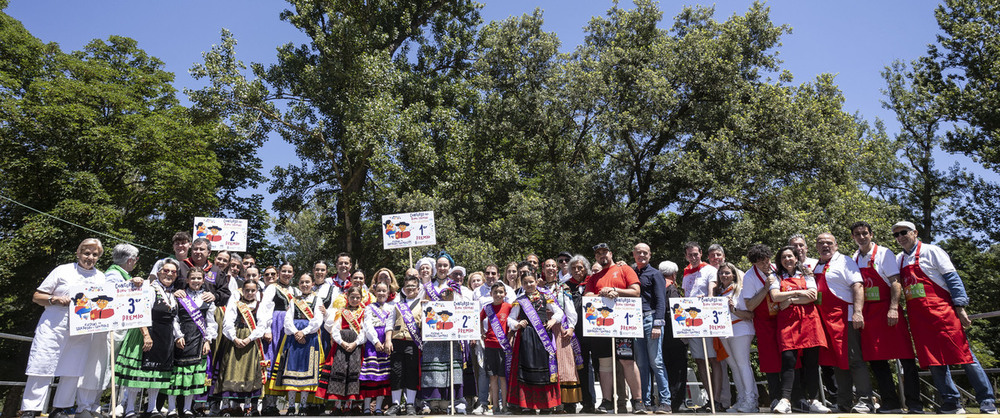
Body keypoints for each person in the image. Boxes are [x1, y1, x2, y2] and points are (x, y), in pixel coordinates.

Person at [892, 221, 997, 414]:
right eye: (896, 235)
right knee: (933, 360)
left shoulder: (932, 251)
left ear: (915, 232)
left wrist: (960, 306)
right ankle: (951, 402)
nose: (900, 237)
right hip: (919, 318)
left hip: (942, 312)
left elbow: (952, 278)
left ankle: (987, 400)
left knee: (965, 356)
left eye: (904, 232)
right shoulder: (898, 259)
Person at [20, 239, 105, 418]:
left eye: (94, 255)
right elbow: (37, 296)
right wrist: (54, 299)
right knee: (43, 364)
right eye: (86, 253)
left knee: (73, 368)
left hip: (82, 328)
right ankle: (31, 408)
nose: (90, 257)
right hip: (54, 324)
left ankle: (61, 408)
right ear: (78, 253)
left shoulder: (101, 277)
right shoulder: (62, 270)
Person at [850, 221, 923, 413]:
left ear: (871, 234)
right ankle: (890, 402)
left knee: (906, 358)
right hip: (868, 314)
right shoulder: (854, 258)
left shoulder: (884, 253)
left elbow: (895, 282)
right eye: (857, 234)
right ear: (853, 238)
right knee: (876, 360)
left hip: (887, 310)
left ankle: (914, 403)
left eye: (865, 233)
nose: (861, 237)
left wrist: (893, 308)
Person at [813, 233, 873, 413]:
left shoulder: (845, 261)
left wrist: (857, 312)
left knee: (854, 359)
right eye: (821, 243)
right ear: (816, 247)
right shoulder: (816, 265)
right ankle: (844, 402)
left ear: (836, 245)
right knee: (838, 361)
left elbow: (857, 286)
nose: (825, 246)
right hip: (826, 321)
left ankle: (865, 401)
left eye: (829, 243)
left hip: (844, 318)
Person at [584, 243, 645, 414]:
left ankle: (638, 400)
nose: (602, 255)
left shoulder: (624, 269)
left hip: (623, 325)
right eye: (598, 254)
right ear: (595, 257)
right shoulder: (594, 277)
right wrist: (601, 294)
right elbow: (587, 296)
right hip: (601, 325)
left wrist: (615, 290)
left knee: (627, 361)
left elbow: (636, 291)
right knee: (604, 363)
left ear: (611, 253)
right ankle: (607, 401)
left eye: (604, 252)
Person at [117, 259, 180, 418]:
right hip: (145, 333)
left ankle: (152, 408)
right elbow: (141, 311)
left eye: (173, 272)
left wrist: (178, 336)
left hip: (164, 336)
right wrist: (145, 334)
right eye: (166, 270)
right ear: (158, 272)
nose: (169, 274)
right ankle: (130, 408)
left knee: (157, 373)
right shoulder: (149, 288)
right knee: (138, 374)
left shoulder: (172, 293)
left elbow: (174, 319)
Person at [769, 246, 829, 414]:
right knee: (788, 360)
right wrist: (798, 293)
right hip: (787, 323)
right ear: (780, 261)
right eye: (783, 257)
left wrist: (790, 300)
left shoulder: (807, 274)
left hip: (809, 321)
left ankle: (814, 400)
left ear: (796, 258)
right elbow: (775, 296)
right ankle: (785, 400)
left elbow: (812, 295)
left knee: (811, 362)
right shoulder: (775, 276)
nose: (787, 259)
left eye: (790, 256)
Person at [506, 272, 565, 413]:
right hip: (527, 338)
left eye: (531, 281)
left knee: (545, 370)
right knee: (527, 370)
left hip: (543, 336)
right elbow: (510, 319)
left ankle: (546, 404)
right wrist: (518, 324)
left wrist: (553, 320)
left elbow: (559, 312)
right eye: (525, 283)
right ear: (522, 284)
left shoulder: (546, 297)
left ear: (536, 281)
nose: (529, 285)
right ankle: (528, 405)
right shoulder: (519, 300)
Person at [268, 274, 325, 415]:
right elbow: (288, 320)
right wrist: (295, 332)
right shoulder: (294, 300)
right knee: (292, 369)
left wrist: (304, 332)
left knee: (307, 371)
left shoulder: (317, 300)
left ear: (312, 284)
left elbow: (317, 321)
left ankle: (303, 406)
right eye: (302, 282)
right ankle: (291, 406)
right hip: (294, 338)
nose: (305, 284)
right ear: (298, 284)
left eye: (307, 282)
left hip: (310, 337)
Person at [166, 269, 218, 417]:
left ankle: (188, 408)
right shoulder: (180, 296)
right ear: (188, 280)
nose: (196, 281)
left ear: (203, 280)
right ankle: (171, 409)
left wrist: (208, 340)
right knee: (176, 376)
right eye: (193, 278)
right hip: (181, 338)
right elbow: (174, 318)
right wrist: (178, 336)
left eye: (199, 278)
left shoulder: (208, 298)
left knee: (192, 376)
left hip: (198, 340)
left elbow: (211, 322)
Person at [419, 255, 467, 414]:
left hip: (450, 335)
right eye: (439, 265)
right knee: (433, 368)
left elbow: (461, 306)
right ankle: (433, 401)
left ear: (449, 267)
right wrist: (423, 305)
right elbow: (419, 308)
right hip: (432, 336)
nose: (442, 268)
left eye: (445, 265)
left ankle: (449, 401)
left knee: (449, 367)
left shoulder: (455, 286)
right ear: (435, 268)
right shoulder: (427, 287)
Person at [215, 280, 267, 415]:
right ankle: (226, 406)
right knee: (230, 370)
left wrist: (250, 338)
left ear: (256, 291)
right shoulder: (235, 303)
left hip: (251, 340)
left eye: (252, 290)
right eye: (247, 290)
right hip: (235, 339)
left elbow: (262, 325)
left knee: (249, 371)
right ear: (242, 290)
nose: (249, 293)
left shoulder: (259, 305)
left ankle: (248, 406)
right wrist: (234, 338)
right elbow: (228, 322)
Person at [631, 243, 671, 414]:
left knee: (657, 361)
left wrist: (658, 324)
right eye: (638, 252)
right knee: (641, 364)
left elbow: (661, 300)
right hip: (634, 320)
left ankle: (665, 402)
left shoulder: (655, 274)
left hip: (651, 318)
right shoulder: (631, 272)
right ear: (633, 254)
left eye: (645, 253)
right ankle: (646, 401)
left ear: (650, 255)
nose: (641, 255)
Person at [680, 241, 719, 411]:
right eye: (690, 255)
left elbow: (713, 288)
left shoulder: (709, 269)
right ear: (686, 256)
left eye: (696, 254)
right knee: (700, 361)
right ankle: (710, 399)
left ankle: (717, 400)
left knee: (713, 359)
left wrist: (709, 298)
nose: (693, 257)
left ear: (701, 253)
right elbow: (685, 295)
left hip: (707, 318)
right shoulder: (686, 273)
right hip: (692, 321)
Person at [714, 262, 758, 413]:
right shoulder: (719, 292)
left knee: (742, 364)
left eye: (727, 273)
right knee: (734, 366)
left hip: (741, 329)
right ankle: (741, 399)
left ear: (734, 274)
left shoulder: (739, 291)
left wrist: (734, 309)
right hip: (725, 331)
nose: (724, 276)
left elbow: (750, 315)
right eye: (721, 273)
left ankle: (751, 400)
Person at [317, 285, 367, 415]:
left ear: (361, 298)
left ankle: (349, 405)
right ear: (347, 298)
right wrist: (342, 342)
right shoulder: (341, 312)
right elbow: (335, 329)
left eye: (357, 297)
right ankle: (337, 405)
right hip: (341, 346)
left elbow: (364, 331)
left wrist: (356, 343)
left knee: (353, 373)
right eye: (352, 297)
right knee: (339, 372)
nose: (355, 300)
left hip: (356, 347)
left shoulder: (364, 313)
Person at [741, 244, 780, 410]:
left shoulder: (777, 268)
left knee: (791, 357)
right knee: (770, 360)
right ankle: (775, 397)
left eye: (767, 260)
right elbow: (749, 305)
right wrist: (765, 288)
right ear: (754, 263)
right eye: (761, 262)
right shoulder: (749, 277)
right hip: (764, 322)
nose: (765, 264)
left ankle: (793, 396)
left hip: (782, 318)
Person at [541, 258, 583, 413]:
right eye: (548, 266)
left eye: (553, 266)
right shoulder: (538, 288)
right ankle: (549, 400)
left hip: (561, 329)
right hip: (544, 328)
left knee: (565, 364)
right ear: (543, 269)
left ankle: (567, 402)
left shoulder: (562, 288)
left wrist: (571, 327)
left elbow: (570, 309)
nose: (551, 268)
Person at [257, 262, 299, 415]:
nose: (287, 274)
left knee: (284, 362)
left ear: (293, 274)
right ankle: (268, 403)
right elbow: (265, 308)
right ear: (279, 273)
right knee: (272, 359)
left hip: (289, 327)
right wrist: (266, 329)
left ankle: (283, 403)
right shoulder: (272, 288)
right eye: (284, 271)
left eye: (290, 271)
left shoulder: (295, 290)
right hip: (275, 325)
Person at [564, 255, 598, 414]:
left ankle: (608, 402)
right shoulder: (565, 286)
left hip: (596, 331)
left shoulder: (594, 281)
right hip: (576, 334)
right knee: (581, 368)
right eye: (574, 268)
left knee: (600, 367)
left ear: (586, 268)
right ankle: (586, 403)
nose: (577, 271)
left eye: (580, 267)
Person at [388, 275, 424, 416]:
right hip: (397, 342)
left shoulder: (423, 304)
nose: (410, 289)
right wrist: (388, 339)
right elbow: (390, 323)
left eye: (412, 286)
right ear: (403, 288)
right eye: (407, 286)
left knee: (411, 373)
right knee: (396, 372)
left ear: (418, 288)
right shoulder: (397, 304)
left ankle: (410, 404)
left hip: (412, 342)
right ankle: (396, 404)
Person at [659, 261, 689, 413]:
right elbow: (676, 311)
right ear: (674, 274)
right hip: (676, 336)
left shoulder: (658, 286)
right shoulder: (671, 288)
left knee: (665, 368)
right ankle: (677, 403)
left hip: (662, 336)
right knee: (677, 371)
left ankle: (667, 401)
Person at [361, 282, 396, 414]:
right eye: (379, 291)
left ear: (388, 293)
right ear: (375, 292)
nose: (381, 293)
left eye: (384, 291)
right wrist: (375, 341)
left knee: (383, 375)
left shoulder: (391, 308)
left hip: (385, 341)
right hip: (373, 342)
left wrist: (387, 340)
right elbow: (367, 326)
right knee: (370, 375)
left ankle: (378, 407)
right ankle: (366, 406)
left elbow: (390, 325)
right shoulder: (369, 307)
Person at [481, 282, 512, 415]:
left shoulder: (509, 307)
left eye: (501, 292)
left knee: (503, 377)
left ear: (505, 294)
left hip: (503, 346)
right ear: (491, 294)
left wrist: (510, 335)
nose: (498, 295)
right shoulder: (487, 308)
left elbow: (513, 322)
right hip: (489, 345)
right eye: (495, 292)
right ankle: (494, 407)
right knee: (492, 377)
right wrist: (481, 331)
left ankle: (504, 405)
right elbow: (478, 319)